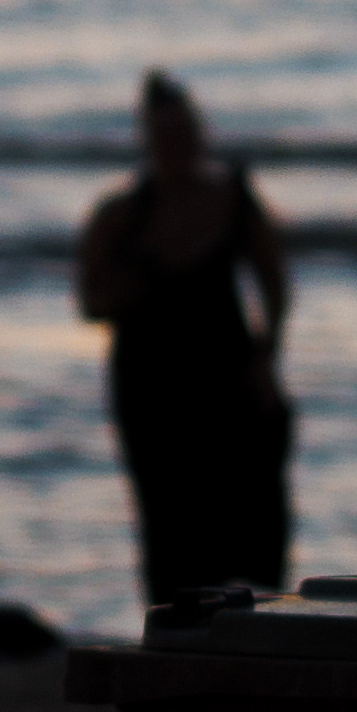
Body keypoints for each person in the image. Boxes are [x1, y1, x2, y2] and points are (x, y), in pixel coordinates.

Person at [71, 74, 297, 616]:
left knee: (250, 516)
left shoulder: (236, 202)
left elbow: (275, 284)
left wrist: (267, 359)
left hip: (228, 382)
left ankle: (251, 638)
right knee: (169, 521)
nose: (176, 142)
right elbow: (90, 300)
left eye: (184, 130)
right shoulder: (119, 215)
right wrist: (140, 289)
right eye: (163, 132)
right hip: (153, 390)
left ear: (201, 132)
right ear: (147, 138)